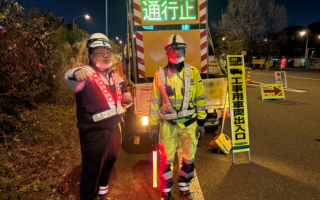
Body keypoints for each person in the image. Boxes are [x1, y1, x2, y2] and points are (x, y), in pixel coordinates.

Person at [65, 33, 133, 200]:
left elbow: (121, 101)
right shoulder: (85, 73)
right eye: (100, 52)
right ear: (91, 55)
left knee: (110, 161)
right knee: (92, 169)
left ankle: (103, 194)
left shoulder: (116, 77)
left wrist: (127, 100)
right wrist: (76, 73)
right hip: (94, 132)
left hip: (114, 128)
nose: (105, 55)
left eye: (107, 52)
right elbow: (69, 79)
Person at [149, 34, 207, 200]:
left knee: (188, 159)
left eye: (180, 49)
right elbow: (154, 103)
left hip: (190, 125)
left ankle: (184, 187)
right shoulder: (159, 74)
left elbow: (200, 100)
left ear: (184, 51)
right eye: (173, 49)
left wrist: (201, 123)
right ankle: (166, 191)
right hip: (168, 125)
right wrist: (153, 126)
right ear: (167, 52)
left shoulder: (194, 73)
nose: (176, 52)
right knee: (166, 160)